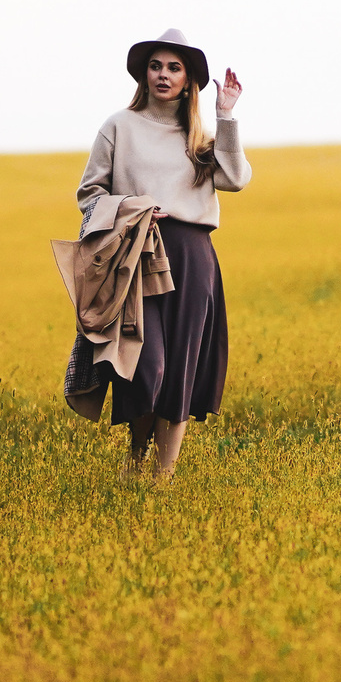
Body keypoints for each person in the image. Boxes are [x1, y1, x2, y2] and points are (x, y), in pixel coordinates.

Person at [72, 29, 249, 482]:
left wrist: (225, 115)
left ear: (189, 80)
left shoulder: (198, 135)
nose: (163, 75)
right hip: (136, 258)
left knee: (181, 370)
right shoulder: (118, 126)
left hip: (192, 259)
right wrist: (136, 208)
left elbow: (235, 178)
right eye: (156, 66)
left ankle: (162, 477)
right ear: (144, 74)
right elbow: (89, 194)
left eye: (174, 68)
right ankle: (135, 462)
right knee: (145, 365)